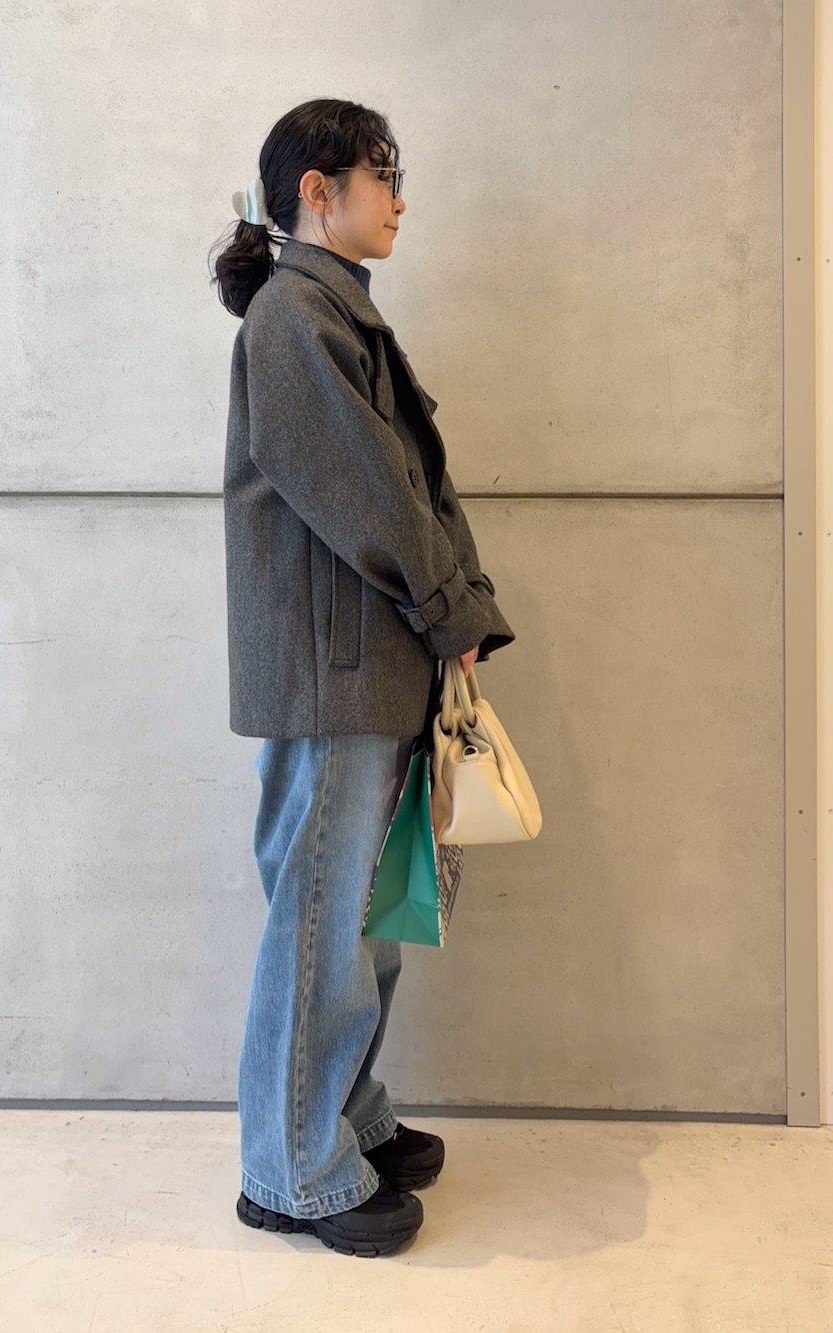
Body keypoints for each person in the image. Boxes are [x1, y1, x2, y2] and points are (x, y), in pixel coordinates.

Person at [213, 98, 515, 1257]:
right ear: (317, 191)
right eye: (383, 174)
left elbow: (404, 485)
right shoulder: (295, 316)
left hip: (372, 656)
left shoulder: (334, 309)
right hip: (338, 666)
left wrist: (453, 613)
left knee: (369, 916)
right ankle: (289, 1168)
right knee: (325, 919)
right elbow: (370, 497)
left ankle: (343, 1116)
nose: (400, 198)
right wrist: (447, 609)